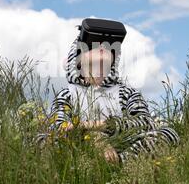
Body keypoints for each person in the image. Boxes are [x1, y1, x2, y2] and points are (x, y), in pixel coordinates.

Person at [36, 22, 179, 164]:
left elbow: (145, 122)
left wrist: (94, 126)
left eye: (109, 45)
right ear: (77, 61)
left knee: (167, 133)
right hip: (81, 147)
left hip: (126, 147)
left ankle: (120, 165)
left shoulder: (126, 93)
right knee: (40, 139)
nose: (103, 47)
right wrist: (95, 139)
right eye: (93, 45)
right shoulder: (67, 94)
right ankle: (88, 166)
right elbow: (60, 127)